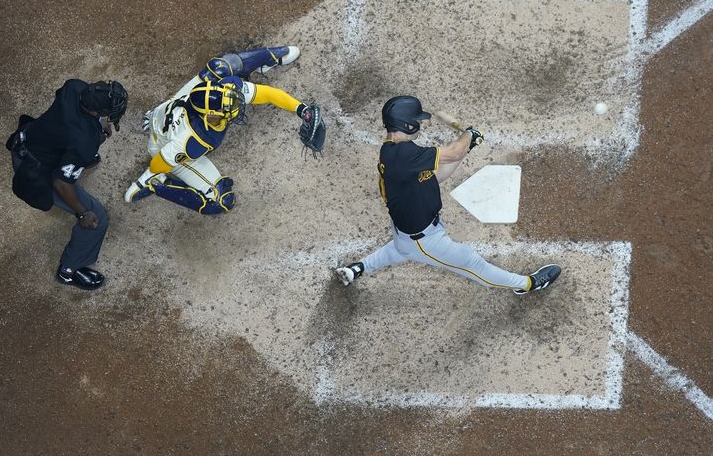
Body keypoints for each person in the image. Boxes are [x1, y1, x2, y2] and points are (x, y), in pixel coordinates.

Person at [335, 95, 561, 295]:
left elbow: (434, 177)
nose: (421, 122)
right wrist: (468, 135)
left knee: (400, 249)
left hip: (409, 232)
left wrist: (468, 147)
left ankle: (358, 268)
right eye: (418, 119)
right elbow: (453, 152)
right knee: (472, 263)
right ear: (408, 123)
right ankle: (527, 285)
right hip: (425, 240)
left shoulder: (394, 151)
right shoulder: (404, 155)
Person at [124, 46, 325, 214]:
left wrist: (302, 110)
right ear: (210, 115)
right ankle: (155, 185)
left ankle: (269, 58)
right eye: (230, 109)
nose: (238, 107)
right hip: (163, 145)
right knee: (222, 201)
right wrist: (152, 173)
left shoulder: (223, 91)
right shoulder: (193, 141)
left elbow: (269, 94)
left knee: (220, 67)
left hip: (168, 110)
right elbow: (159, 161)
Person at [6, 79, 128, 290]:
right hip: (33, 170)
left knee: (86, 148)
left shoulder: (74, 87)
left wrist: (96, 125)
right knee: (97, 218)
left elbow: (66, 108)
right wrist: (82, 214)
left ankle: (76, 158)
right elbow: (61, 183)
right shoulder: (84, 141)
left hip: (29, 137)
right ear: (95, 111)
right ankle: (70, 270)